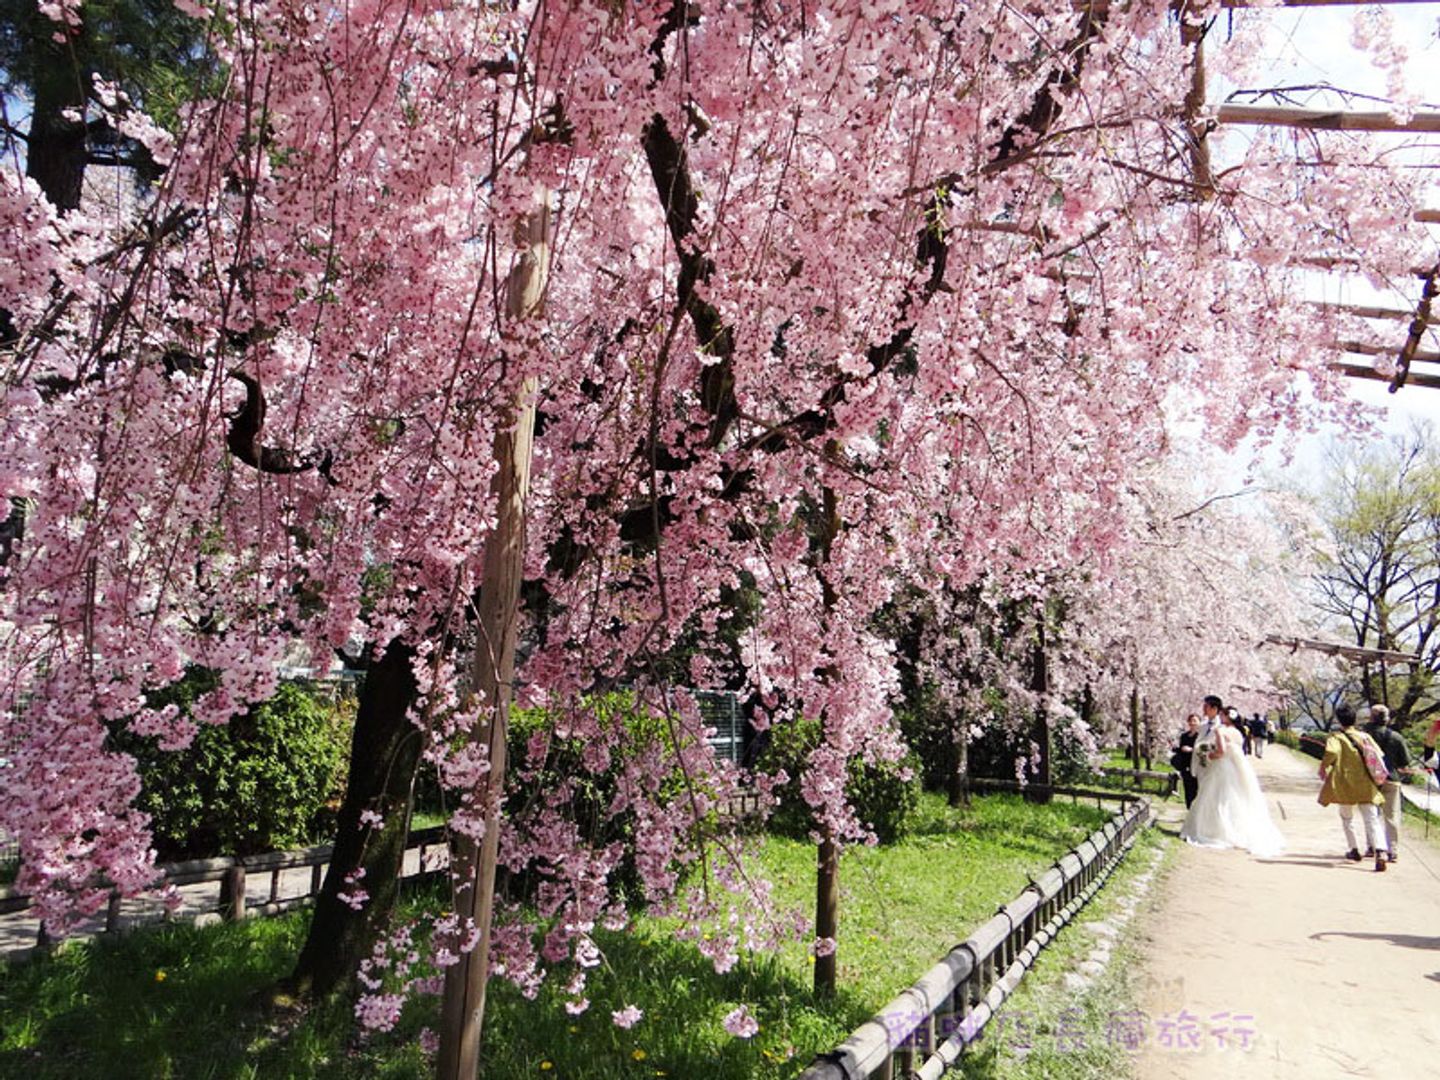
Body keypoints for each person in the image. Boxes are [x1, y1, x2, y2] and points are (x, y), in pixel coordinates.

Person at [1180, 702, 1286, 856]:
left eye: (1222, 714)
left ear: (1224, 716)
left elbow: (1221, 751)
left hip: (1220, 767)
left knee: (1215, 797)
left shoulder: (1220, 731)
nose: (1220, 717)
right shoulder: (1237, 732)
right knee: (1235, 796)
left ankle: (1215, 830)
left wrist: (1209, 755)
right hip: (1234, 768)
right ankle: (1236, 829)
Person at [1318, 704, 1388, 872]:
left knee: (1347, 817)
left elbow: (1331, 753)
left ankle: (1354, 849)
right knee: (1372, 818)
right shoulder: (1365, 736)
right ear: (1354, 719)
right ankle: (1380, 851)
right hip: (1366, 783)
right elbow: (1379, 755)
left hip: (1344, 782)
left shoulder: (1336, 737)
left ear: (1338, 719)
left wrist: (1323, 767)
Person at [1363, 704, 1409, 863]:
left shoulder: (1364, 736)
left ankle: (1372, 847)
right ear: (1387, 719)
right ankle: (1393, 851)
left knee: (1371, 815)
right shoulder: (1396, 737)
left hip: (1370, 780)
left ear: (1371, 717)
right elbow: (1404, 763)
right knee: (1391, 816)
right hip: (1392, 779)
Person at [1169, 713, 1201, 807]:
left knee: (1196, 788)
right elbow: (1181, 749)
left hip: (1196, 765)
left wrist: (1191, 750)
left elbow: (1202, 749)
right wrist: (1175, 748)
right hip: (1185, 765)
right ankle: (1189, 807)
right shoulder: (1184, 736)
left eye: (1195, 720)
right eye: (1191, 721)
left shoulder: (1200, 736)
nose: (1192, 723)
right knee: (1187, 788)